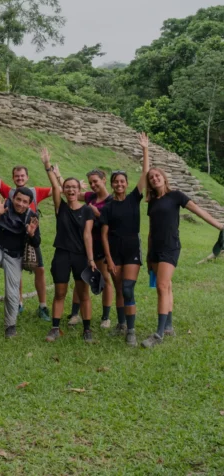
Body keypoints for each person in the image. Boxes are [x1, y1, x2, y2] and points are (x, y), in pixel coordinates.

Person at [141, 167, 224, 348]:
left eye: (157, 175)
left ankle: (159, 334)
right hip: (155, 249)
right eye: (151, 177)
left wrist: (219, 225)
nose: (155, 179)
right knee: (166, 286)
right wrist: (148, 255)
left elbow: (197, 210)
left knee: (162, 287)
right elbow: (151, 230)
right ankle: (169, 327)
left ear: (164, 177)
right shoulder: (152, 201)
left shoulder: (176, 196)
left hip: (170, 248)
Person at [40, 148, 96, 343]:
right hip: (62, 254)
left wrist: (90, 259)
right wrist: (48, 166)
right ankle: (55, 328)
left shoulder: (88, 210)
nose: (71, 190)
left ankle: (87, 329)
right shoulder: (60, 207)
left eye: (74, 187)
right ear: (64, 190)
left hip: (81, 256)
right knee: (60, 292)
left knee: (83, 294)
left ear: (79, 191)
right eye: (67, 187)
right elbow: (55, 187)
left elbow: (88, 235)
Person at [100, 133, 149, 347]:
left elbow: (146, 173)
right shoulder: (108, 206)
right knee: (119, 288)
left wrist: (145, 150)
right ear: (111, 185)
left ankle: (131, 330)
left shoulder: (133, 199)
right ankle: (120, 324)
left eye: (122, 181)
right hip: (114, 251)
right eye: (115, 182)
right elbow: (103, 234)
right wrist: (108, 260)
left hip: (131, 250)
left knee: (128, 288)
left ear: (127, 183)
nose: (119, 184)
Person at [0, 163, 52, 321]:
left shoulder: (35, 192)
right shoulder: (9, 192)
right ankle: (19, 302)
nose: (20, 178)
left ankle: (43, 306)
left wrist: (52, 170)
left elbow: (56, 190)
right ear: (13, 178)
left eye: (22, 175)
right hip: (13, 240)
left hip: (31, 237)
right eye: (17, 176)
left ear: (27, 177)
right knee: (16, 272)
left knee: (40, 270)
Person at [0, 191, 40, 338]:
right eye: (18, 199)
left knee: (12, 293)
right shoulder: (4, 208)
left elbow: (37, 243)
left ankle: (10, 326)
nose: (20, 203)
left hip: (15, 257)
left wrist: (31, 234)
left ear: (29, 203)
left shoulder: (31, 217)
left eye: (25, 201)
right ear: (13, 198)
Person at [68, 169, 113, 328]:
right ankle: (74, 314)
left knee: (105, 278)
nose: (93, 185)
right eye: (91, 182)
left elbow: (113, 225)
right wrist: (75, 186)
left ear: (104, 180)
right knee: (81, 278)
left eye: (96, 181)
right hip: (83, 244)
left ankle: (106, 317)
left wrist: (97, 214)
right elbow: (69, 192)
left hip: (101, 245)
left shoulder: (111, 201)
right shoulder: (90, 197)